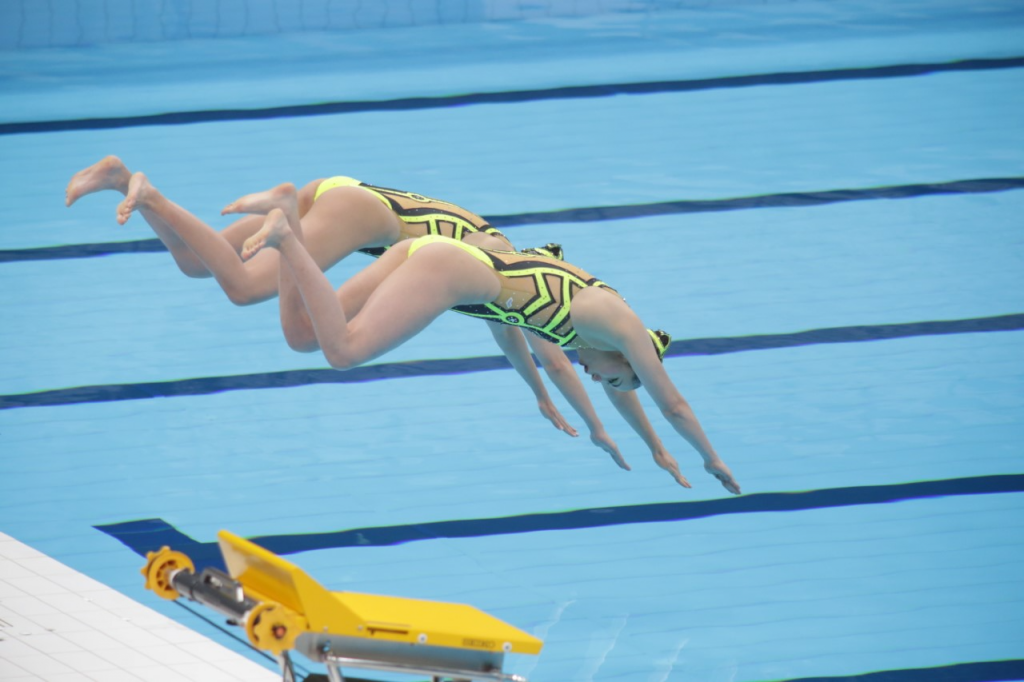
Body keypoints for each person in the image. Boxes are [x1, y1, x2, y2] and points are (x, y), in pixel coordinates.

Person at [64, 157, 621, 457]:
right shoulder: (533, 292)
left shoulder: (510, 273)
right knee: (243, 286)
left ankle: (121, 180)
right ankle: (157, 194)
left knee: (196, 263)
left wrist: (546, 401)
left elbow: (522, 348)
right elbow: (548, 354)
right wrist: (594, 423)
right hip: (362, 212)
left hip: (341, 192)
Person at [227, 187, 741, 493]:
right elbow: (668, 401)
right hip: (445, 267)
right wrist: (709, 457)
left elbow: (548, 359)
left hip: (436, 257)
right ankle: (287, 237)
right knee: (343, 350)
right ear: (627, 356)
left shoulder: (573, 327)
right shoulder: (609, 317)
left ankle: (286, 218)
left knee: (303, 337)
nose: (597, 376)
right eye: (614, 376)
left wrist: (647, 447)